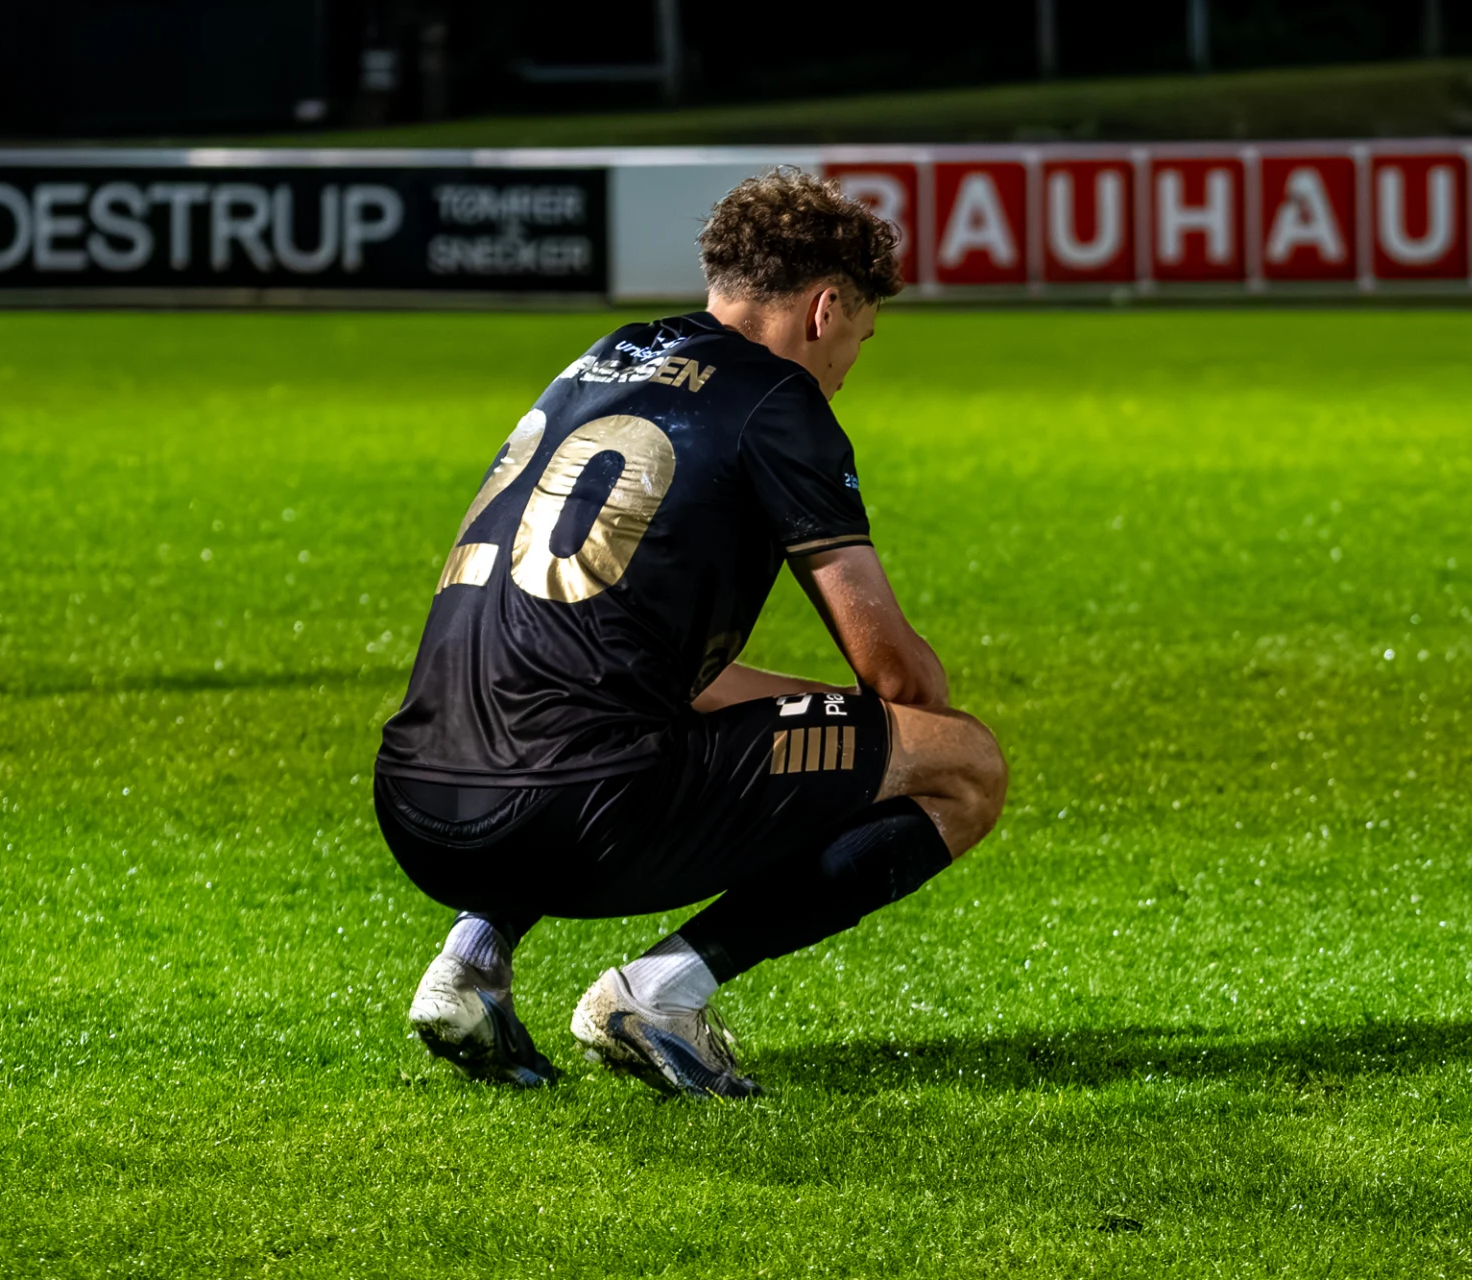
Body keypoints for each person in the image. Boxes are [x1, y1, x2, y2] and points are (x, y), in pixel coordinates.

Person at [372, 168, 1008, 1098]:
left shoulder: (600, 359)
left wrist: (818, 715)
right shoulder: (778, 400)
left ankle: (469, 962)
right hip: (574, 814)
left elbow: (653, 667)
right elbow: (898, 679)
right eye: (859, 342)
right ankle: (661, 994)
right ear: (825, 310)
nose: (848, 369)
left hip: (417, 808)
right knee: (963, 764)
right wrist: (887, 721)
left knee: (583, 709)